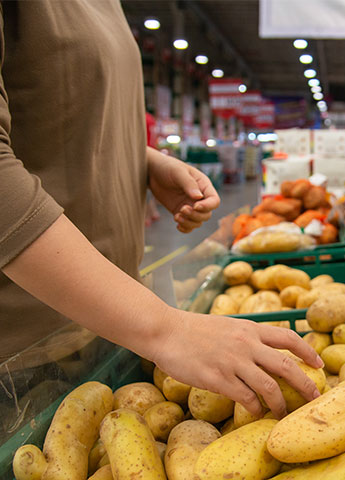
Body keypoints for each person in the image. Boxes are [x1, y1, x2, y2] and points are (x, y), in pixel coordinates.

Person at [0, 0, 321, 419]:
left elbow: (58, 110)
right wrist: (165, 329)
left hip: (103, 326)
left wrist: (143, 160)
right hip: (20, 358)